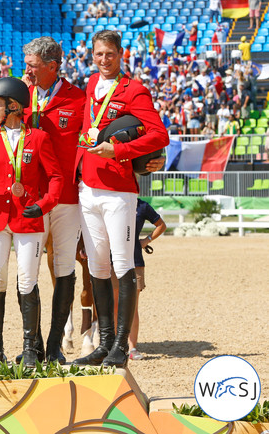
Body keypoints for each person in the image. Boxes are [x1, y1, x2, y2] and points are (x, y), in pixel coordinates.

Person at [72, 30, 169, 368]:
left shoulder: (134, 89)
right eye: (98, 54)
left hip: (119, 192)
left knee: (123, 265)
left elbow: (160, 134)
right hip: (88, 189)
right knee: (97, 266)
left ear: (121, 54)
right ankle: (103, 342)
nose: (103, 60)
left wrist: (122, 150)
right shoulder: (89, 85)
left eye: (109, 55)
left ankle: (121, 347)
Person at [0, 77, 63, 366]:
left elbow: (55, 177)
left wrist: (43, 206)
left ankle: (31, 349)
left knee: (27, 281)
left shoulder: (39, 138)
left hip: (27, 217)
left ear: (14, 107)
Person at [21, 36, 85, 364]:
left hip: (67, 198)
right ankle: (30, 345)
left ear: (52, 66)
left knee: (63, 268)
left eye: (32, 65)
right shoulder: (20, 95)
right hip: (31, 196)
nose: (26, 70)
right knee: (28, 268)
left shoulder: (79, 98)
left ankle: (55, 343)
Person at [125, 198, 166, 361]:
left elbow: (161, 225)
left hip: (135, 262)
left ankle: (132, 347)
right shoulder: (114, 202)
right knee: (113, 306)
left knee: (132, 307)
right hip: (112, 260)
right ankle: (114, 345)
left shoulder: (142, 206)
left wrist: (146, 240)